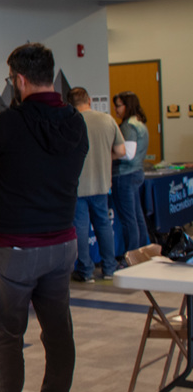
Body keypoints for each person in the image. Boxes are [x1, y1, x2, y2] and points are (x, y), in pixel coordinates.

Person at [0, 42, 88, 392]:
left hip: (16, 247)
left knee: (6, 333)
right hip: (62, 243)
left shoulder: (9, 124)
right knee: (58, 330)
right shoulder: (75, 122)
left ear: (18, 79)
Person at [67, 87, 125, 283]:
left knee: (80, 228)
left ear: (70, 104)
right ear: (89, 100)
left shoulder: (69, 122)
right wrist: (105, 158)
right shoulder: (107, 120)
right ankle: (109, 268)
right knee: (103, 225)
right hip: (101, 183)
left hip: (77, 185)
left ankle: (85, 271)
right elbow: (121, 151)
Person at [111, 90, 151, 253]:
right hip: (135, 173)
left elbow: (127, 153)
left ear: (127, 106)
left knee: (129, 219)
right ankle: (142, 252)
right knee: (137, 216)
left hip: (125, 175)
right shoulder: (140, 124)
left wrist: (109, 156)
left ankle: (132, 255)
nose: (116, 110)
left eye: (118, 106)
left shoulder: (129, 126)